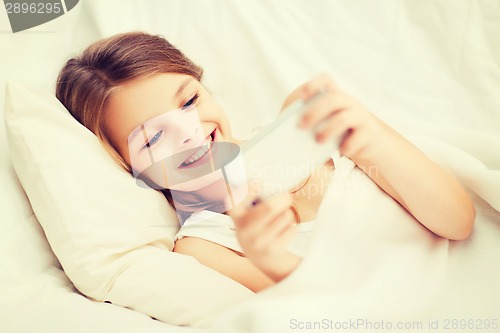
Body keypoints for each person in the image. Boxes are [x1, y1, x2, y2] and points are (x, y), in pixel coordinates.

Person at [56, 31, 475, 292]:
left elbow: (459, 222)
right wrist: (273, 261)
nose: (191, 133)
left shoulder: (304, 121)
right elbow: (343, 310)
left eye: (189, 100)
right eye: (154, 138)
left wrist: (370, 136)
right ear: (127, 166)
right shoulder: (203, 246)